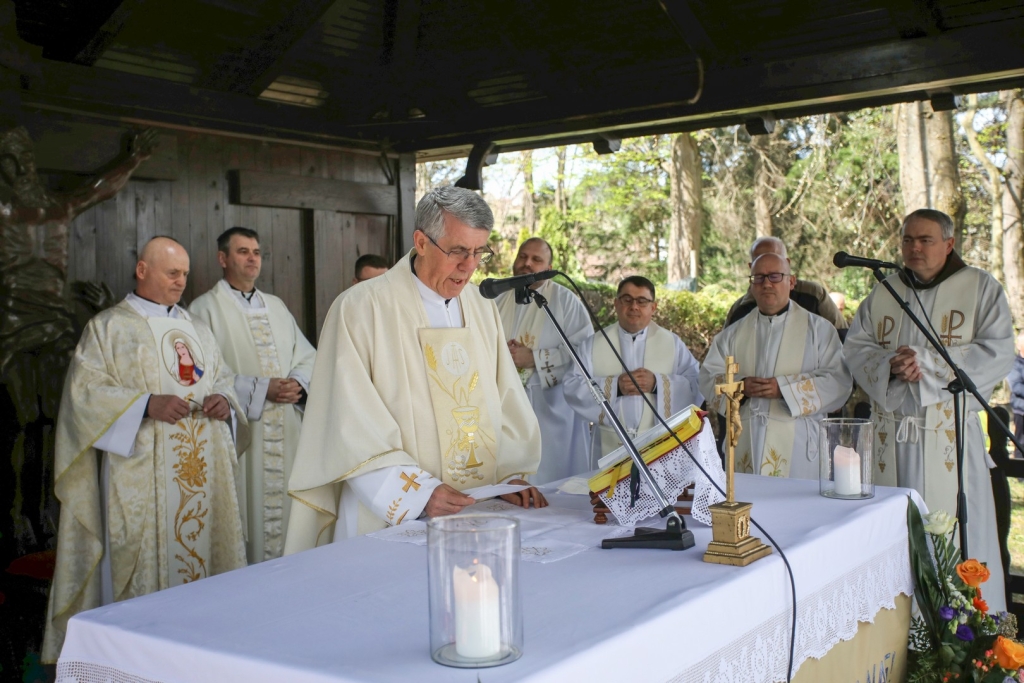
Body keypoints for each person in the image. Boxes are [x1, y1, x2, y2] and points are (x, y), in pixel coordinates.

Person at [284, 187, 543, 550]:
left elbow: (506, 395)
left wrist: (510, 475)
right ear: (421, 242)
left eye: (478, 252)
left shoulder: (482, 306)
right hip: (394, 512)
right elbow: (350, 420)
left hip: (480, 504)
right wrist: (419, 493)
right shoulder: (361, 308)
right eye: (458, 251)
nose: (469, 266)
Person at [43, 237, 248, 661]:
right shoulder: (108, 328)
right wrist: (145, 405)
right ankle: (136, 661)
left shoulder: (197, 328)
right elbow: (84, 394)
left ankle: (207, 659)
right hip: (139, 474)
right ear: (142, 270)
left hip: (200, 474)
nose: (181, 282)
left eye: (185, 274)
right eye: (172, 273)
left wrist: (225, 401)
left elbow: (223, 378)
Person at [845, 208, 1014, 612]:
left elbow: (997, 351)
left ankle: (962, 631)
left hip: (948, 439)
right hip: (890, 438)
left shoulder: (980, 288)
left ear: (949, 244)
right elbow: (856, 347)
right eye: (908, 240)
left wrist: (928, 363)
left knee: (954, 538)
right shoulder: (885, 290)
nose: (915, 248)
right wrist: (890, 365)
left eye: (925, 240)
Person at [190, 227, 317, 563]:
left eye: (256, 252)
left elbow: (307, 355)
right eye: (243, 251)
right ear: (223, 259)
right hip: (244, 434)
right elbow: (202, 377)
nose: (252, 259)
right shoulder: (204, 309)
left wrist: (298, 382)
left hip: (286, 432)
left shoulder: (276, 306)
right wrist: (262, 389)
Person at [700, 253, 852, 479]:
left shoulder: (819, 330)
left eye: (775, 276)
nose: (767, 284)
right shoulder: (731, 335)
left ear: (791, 282)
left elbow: (839, 382)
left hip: (799, 446)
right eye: (759, 278)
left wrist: (784, 389)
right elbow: (707, 378)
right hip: (746, 443)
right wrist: (741, 387)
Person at [564, 276, 703, 458]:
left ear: (653, 307)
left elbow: (696, 384)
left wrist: (657, 384)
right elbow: (572, 385)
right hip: (608, 443)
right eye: (627, 299)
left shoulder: (672, 343)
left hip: (658, 443)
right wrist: (615, 387)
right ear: (616, 303)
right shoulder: (593, 344)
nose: (634, 306)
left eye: (642, 301)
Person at [496, 237, 593, 482]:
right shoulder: (496, 299)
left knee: (550, 483)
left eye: (536, 259)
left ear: (549, 269)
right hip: (504, 407)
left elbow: (584, 352)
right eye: (522, 256)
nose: (527, 263)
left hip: (550, 410)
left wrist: (535, 358)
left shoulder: (566, 302)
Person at [725, 237, 847, 334]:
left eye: (775, 260)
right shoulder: (740, 310)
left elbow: (842, 336)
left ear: (787, 263)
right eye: (759, 262)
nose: (767, 284)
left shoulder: (813, 294)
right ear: (751, 267)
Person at [1010, 333, 1024, 458]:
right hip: (1021, 410)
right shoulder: (1014, 364)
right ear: (1019, 346)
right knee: (1021, 443)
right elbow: (1016, 386)